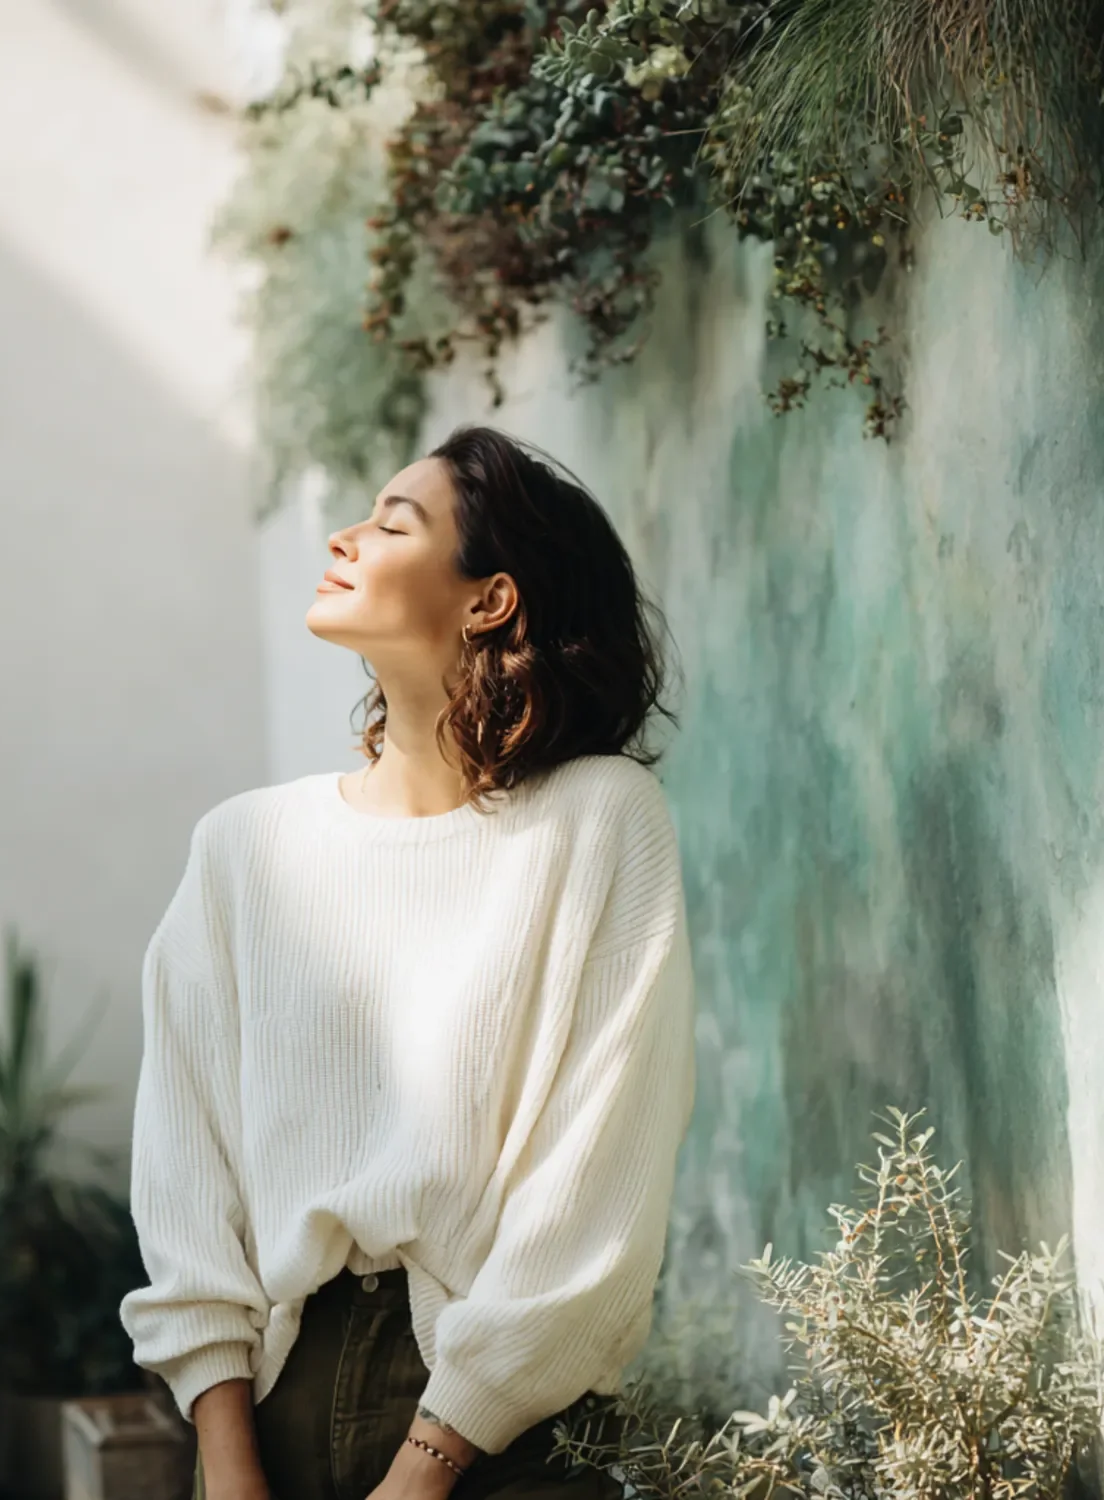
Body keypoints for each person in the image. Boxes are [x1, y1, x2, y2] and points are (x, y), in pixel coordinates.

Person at [118, 424, 699, 1500]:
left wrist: (426, 1469)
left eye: (393, 522)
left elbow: (595, 1175)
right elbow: (183, 1170)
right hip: (269, 1396)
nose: (342, 537)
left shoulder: (600, 821)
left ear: (490, 600)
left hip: (499, 1428)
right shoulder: (243, 850)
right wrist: (230, 1468)